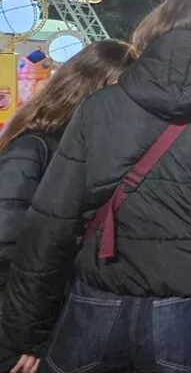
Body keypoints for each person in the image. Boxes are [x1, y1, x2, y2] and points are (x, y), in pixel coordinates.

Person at [0, 0, 191, 373]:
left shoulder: (99, 106)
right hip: (190, 310)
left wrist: (26, 331)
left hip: (96, 299)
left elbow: (50, 224)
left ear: (154, 32)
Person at [0, 40, 137, 312]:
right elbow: (5, 245)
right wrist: (25, 326)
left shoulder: (91, 149)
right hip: (25, 315)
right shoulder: (34, 147)